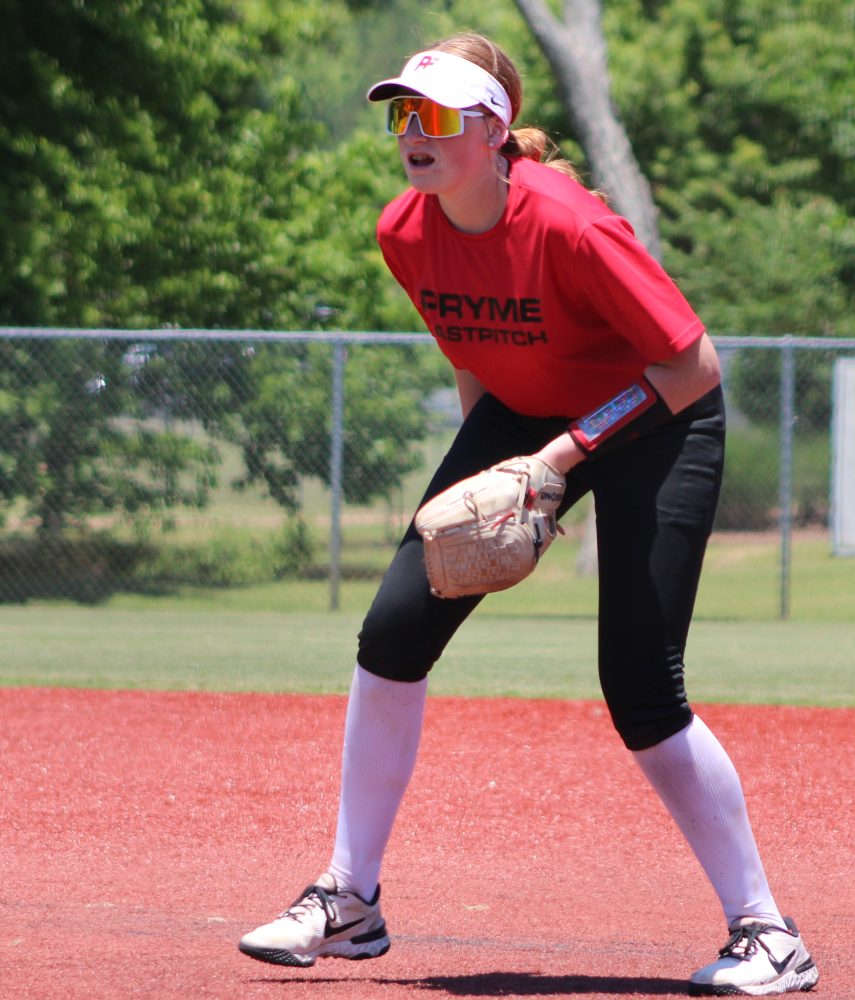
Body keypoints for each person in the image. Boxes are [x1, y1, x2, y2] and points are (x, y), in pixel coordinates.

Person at [239, 32, 819, 996]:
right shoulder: (404, 230)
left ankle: (768, 934)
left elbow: (691, 364)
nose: (413, 133)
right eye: (402, 114)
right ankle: (349, 899)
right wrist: (506, 486)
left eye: (435, 116)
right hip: (523, 419)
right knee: (392, 632)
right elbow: (475, 359)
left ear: (492, 131)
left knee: (640, 682)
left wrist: (558, 461)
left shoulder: (568, 224)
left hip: (658, 419)